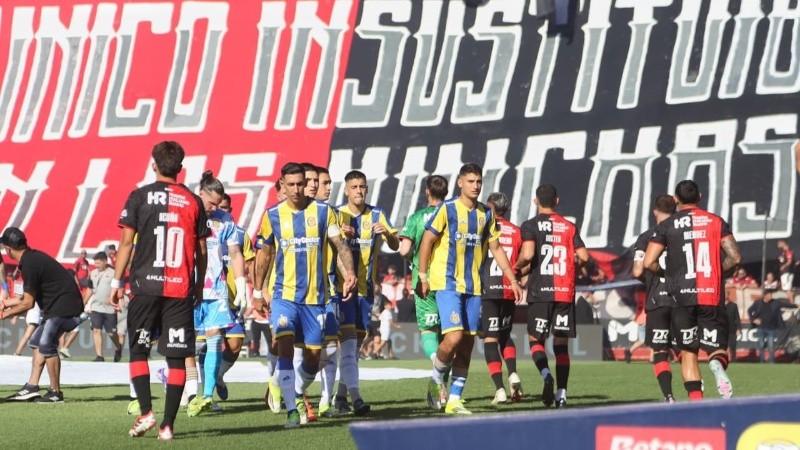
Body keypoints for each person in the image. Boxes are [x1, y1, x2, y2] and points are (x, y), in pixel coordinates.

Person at [109, 140, 209, 440]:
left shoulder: (139, 196)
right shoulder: (193, 201)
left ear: (153, 164)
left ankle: (146, 413)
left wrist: (116, 282)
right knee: (176, 357)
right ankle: (167, 425)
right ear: (180, 168)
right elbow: (201, 251)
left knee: (139, 350)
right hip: (180, 290)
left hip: (145, 287)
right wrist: (198, 285)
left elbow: (126, 243)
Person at [252, 162, 356, 429]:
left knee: (314, 356)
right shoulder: (273, 215)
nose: (297, 189)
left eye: (301, 183)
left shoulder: (323, 212)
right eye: (291, 185)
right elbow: (264, 255)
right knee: (285, 345)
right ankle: (291, 409)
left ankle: (294, 390)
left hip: (316, 299)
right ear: (283, 185)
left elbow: (340, 244)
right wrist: (257, 291)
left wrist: (350, 272)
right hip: (284, 296)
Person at [418, 163, 522, 415]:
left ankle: (454, 400)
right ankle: (436, 379)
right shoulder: (448, 209)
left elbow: (496, 248)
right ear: (460, 183)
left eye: (478, 182)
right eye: (471, 181)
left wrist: (513, 279)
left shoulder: (486, 213)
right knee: (453, 338)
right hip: (447, 284)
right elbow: (427, 240)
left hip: (474, 287)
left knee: (466, 344)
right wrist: (422, 275)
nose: (475, 186)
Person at [644, 180, 742, 401]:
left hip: (681, 298)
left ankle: (695, 404)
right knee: (717, 349)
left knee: (689, 354)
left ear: (676, 200)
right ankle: (716, 364)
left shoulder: (667, 225)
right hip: (711, 294)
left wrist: (667, 275)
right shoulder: (716, 221)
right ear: (700, 196)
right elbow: (735, 257)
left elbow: (648, 262)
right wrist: (717, 272)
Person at [515, 184, 589, 409]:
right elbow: (584, 257)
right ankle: (562, 394)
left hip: (541, 291)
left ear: (535, 201)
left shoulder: (530, 225)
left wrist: (515, 268)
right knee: (561, 345)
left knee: (535, 339)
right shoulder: (569, 226)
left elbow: (528, 254)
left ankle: (547, 375)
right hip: (564, 292)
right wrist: (571, 267)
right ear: (557, 201)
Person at [332, 170, 399, 416]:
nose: (359, 191)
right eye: (354, 187)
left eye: (362, 186)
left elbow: (396, 245)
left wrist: (388, 234)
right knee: (348, 345)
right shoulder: (337, 214)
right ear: (346, 190)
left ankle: (340, 397)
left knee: (355, 347)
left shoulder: (377, 214)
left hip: (366, 291)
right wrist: (338, 233)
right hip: (343, 290)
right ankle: (355, 398)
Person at [186, 172, 247, 417]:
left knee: (214, 341)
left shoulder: (225, 220)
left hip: (215, 289)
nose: (214, 209)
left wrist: (241, 284)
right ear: (200, 193)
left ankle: (207, 396)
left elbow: (235, 253)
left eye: (218, 204)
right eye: (211, 203)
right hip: (186, 286)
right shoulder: (186, 212)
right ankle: (190, 391)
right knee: (186, 342)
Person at [0, 228, 85, 403]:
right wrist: (7, 303)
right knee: (37, 342)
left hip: (65, 307)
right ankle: (32, 387)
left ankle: (55, 392)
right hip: (59, 306)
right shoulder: (31, 259)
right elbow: (27, 297)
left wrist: (4, 314)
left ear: (8, 249)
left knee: (46, 344)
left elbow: (28, 304)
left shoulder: (29, 264)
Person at [398, 174, 449, 409]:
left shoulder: (417, 217)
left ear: (427, 191)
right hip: (449, 280)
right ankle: (443, 383)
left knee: (429, 330)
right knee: (449, 335)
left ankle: (437, 374)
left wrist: (413, 254)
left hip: (424, 280)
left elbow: (404, 250)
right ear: (446, 192)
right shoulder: (452, 214)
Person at [210, 192, 256, 408]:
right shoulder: (205, 230)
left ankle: (218, 375)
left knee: (235, 345)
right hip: (210, 298)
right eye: (218, 206)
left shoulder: (240, 234)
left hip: (233, 301)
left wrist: (254, 292)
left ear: (230, 210)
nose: (221, 211)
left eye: (225, 207)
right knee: (207, 346)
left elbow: (250, 263)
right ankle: (205, 393)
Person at [631, 194, 678, 402]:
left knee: (659, 351)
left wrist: (650, 279)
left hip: (657, 299)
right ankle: (696, 394)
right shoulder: (682, 233)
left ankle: (668, 396)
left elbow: (637, 271)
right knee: (687, 350)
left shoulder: (646, 237)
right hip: (681, 298)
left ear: (655, 211)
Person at [480, 192, 524, 405]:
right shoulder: (516, 231)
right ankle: (513, 373)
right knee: (506, 335)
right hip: (508, 289)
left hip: (488, 290)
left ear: (490, 207)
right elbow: (523, 260)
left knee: (490, 339)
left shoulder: (483, 227)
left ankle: (499, 389)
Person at [88, 251, 123, 362]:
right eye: (95, 263)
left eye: (98, 263)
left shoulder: (114, 273)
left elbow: (120, 289)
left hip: (109, 308)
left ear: (105, 261)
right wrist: (84, 303)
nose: (96, 265)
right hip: (96, 307)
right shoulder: (92, 273)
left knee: (111, 333)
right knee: (96, 330)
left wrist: (119, 300)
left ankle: (118, 347)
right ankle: (99, 356)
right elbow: (89, 290)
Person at [748, 289, 786, 363]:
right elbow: (749, 310)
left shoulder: (775, 302)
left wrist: (796, 305)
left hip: (771, 328)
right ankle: (761, 360)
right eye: (769, 295)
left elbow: (786, 305)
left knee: (771, 346)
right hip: (761, 328)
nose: (770, 297)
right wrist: (753, 319)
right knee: (761, 345)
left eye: (771, 295)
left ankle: (771, 361)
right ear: (764, 296)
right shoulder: (758, 303)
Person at [726, 295, 741, 362]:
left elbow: (737, 317)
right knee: (722, 347)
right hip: (721, 329)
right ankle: (723, 359)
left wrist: (738, 328)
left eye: (726, 294)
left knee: (732, 346)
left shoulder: (733, 305)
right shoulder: (719, 305)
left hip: (732, 329)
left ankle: (733, 360)